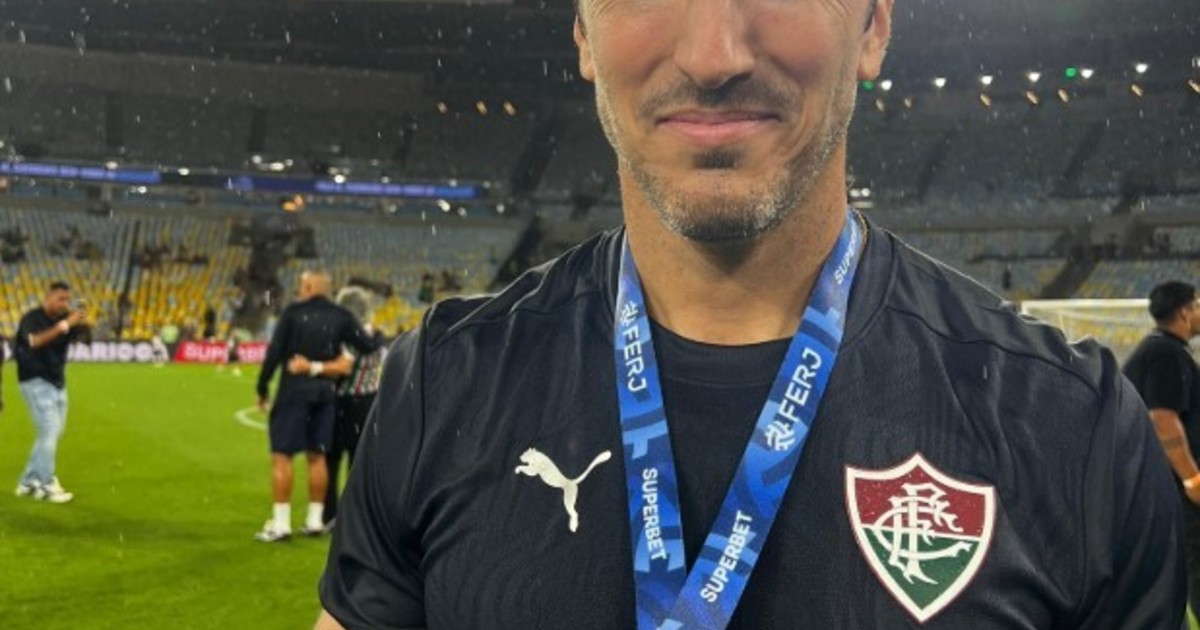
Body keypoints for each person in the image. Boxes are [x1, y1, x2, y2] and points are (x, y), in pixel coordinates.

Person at [316, 0, 1184, 627]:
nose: (713, 55)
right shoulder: (445, 382)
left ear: (875, 25)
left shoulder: (1071, 426)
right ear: (582, 32)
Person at [254, 271, 379, 542]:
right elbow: (368, 345)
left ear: (309, 287)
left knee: (282, 457)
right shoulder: (341, 316)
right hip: (325, 395)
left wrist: (262, 388)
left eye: (301, 285)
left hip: (294, 392)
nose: (299, 290)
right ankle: (314, 521)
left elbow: (275, 352)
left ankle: (281, 524)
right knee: (318, 456)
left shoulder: (293, 313)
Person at [1122, 280, 1200, 613]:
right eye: (1198, 305)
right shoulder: (1165, 353)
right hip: (1173, 487)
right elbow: (1163, 418)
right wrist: (1192, 478)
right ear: (1185, 311)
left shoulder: (1163, 350)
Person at [286, 286, 387, 529]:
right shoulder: (376, 333)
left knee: (331, 459)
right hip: (370, 403)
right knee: (359, 465)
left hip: (344, 403)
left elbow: (343, 368)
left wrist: (312, 367)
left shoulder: (349, 335)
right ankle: (357, 519)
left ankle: (329, 515)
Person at [13, 281, 87, 503]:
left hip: (56, 381)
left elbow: (85, 340)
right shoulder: (32, 318)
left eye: (67, 299)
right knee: (50, 430)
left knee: (53, 432)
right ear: (48, 298)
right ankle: (46, 484)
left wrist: (82, 322)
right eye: (60, 299)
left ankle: (28, 481)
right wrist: (64, 325)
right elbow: (34, 341)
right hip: (35, 380)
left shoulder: (65, 319)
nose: (64, 303)